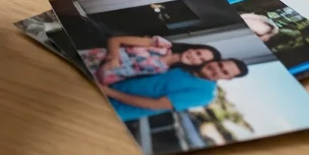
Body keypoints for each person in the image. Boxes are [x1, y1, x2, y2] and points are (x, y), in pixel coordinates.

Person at [99, 59, 250, 121]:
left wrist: (111, 93)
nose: (217, 69)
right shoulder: (187, 66)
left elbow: (155, 104)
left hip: (115, 109)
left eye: (224, 72)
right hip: (107, 87)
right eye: (220, 65)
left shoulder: (204, 95)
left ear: (228, 79)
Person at [78, 36, 222, 86]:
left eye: (200, 60)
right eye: (198, 53)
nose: (195, 57)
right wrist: (114, 58)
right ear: (192, 48)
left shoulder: (166, 72)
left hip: (98, 79)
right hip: (93, 59)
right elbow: (115, 40)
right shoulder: (161, 44)